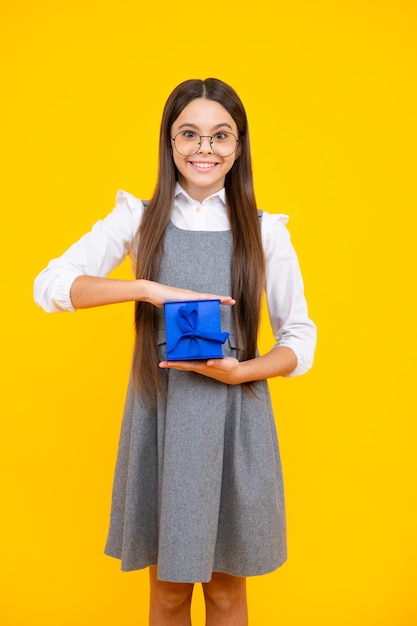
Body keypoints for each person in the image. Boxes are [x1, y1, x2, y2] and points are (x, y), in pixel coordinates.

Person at [34, 78, 316, 626]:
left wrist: (242, 374)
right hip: (161, 418)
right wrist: (148, 289)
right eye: (189, 134)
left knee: (227, 594)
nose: (204, 149)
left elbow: (300, 340)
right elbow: (51, 285)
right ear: (169, 142)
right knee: (166, 596)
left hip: (236, 422)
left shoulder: (266, 232)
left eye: (220, 136)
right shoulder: (138, 220)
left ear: (239, 146)